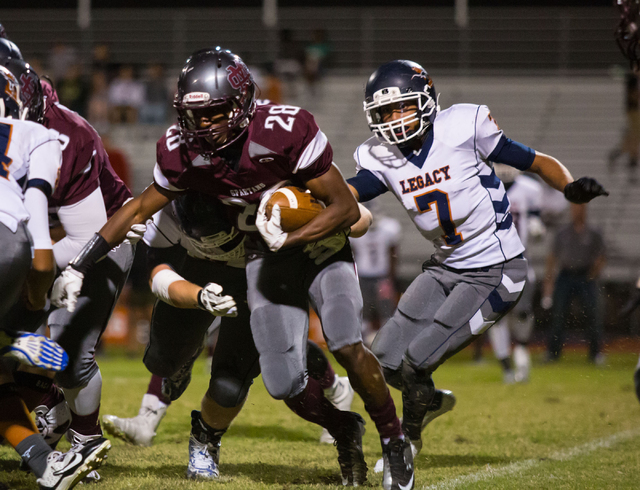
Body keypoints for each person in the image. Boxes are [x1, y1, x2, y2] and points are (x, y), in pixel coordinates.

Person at [51, 47, 414, 490]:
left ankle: (395, 444)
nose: (203, 126)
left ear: (242, 103)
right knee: (283, 382)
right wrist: (79, 266)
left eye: (215, 113)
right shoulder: (180, 158)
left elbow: (344, 209)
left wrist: (296, 233)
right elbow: (137, 212)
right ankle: (344, 426)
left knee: (345, 341)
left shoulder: (285, 130)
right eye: (194, 115)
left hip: (316, 246)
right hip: (259, 259)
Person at [344, 60, 608, 469]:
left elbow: (533, 160)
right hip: (444, 266)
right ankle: (427, 402)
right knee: (384, 358)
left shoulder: (464, 126)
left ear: (427, 101)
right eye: (385, 113)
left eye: (402, 108)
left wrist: (570, 189)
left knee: (418, 359)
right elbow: (349, 193)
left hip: (496, 269)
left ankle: (405, 442)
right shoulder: (379, 155)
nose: (395, 121)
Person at [100, 193, 355, 455]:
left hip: (263, 267)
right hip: (206, 263)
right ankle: (149, 415)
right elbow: (157, 272)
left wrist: (340, 213)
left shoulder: (262, 187)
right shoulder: (169, 201)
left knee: (275, 348)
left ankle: (336, 389)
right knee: (172, 346)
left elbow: (345, 211)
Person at [0, 56, 135, 484]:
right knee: (10, 349)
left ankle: (86, 438)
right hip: (35, 244)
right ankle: (52, 412)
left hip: (101, 239)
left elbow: (84, 237)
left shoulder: (66, 136)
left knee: (71, 354)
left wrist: (32, 274)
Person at [488, 165, 545, 383]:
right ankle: (506, 367)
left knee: (523, 313)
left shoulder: (529, 189)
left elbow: (536, 221)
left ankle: (521, 350)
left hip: (520, 261)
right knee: (496, 318)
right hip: (492, 263)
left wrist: (537, 228)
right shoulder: (484, 187)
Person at [541, 203, 606, 364]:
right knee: (559, 315)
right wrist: (549, 280)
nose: (578, 211)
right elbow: (552, 256)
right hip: (565, 275)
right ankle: (553, 352)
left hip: (585, 276)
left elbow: (601, 255)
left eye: (581, 208)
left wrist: (593, 274)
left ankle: (595, 353)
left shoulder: (593, 232)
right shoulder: (563, 233)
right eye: (575, 208)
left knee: (592, 314)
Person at [349, 200, 402, 346]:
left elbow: (392, 255)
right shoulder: (389, 227)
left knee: (386, 313)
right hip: (366, 277)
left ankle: (387, 345)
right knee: (364, 314)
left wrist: (390, 279)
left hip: (380, 277)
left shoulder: (389, 228)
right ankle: (363, 346)